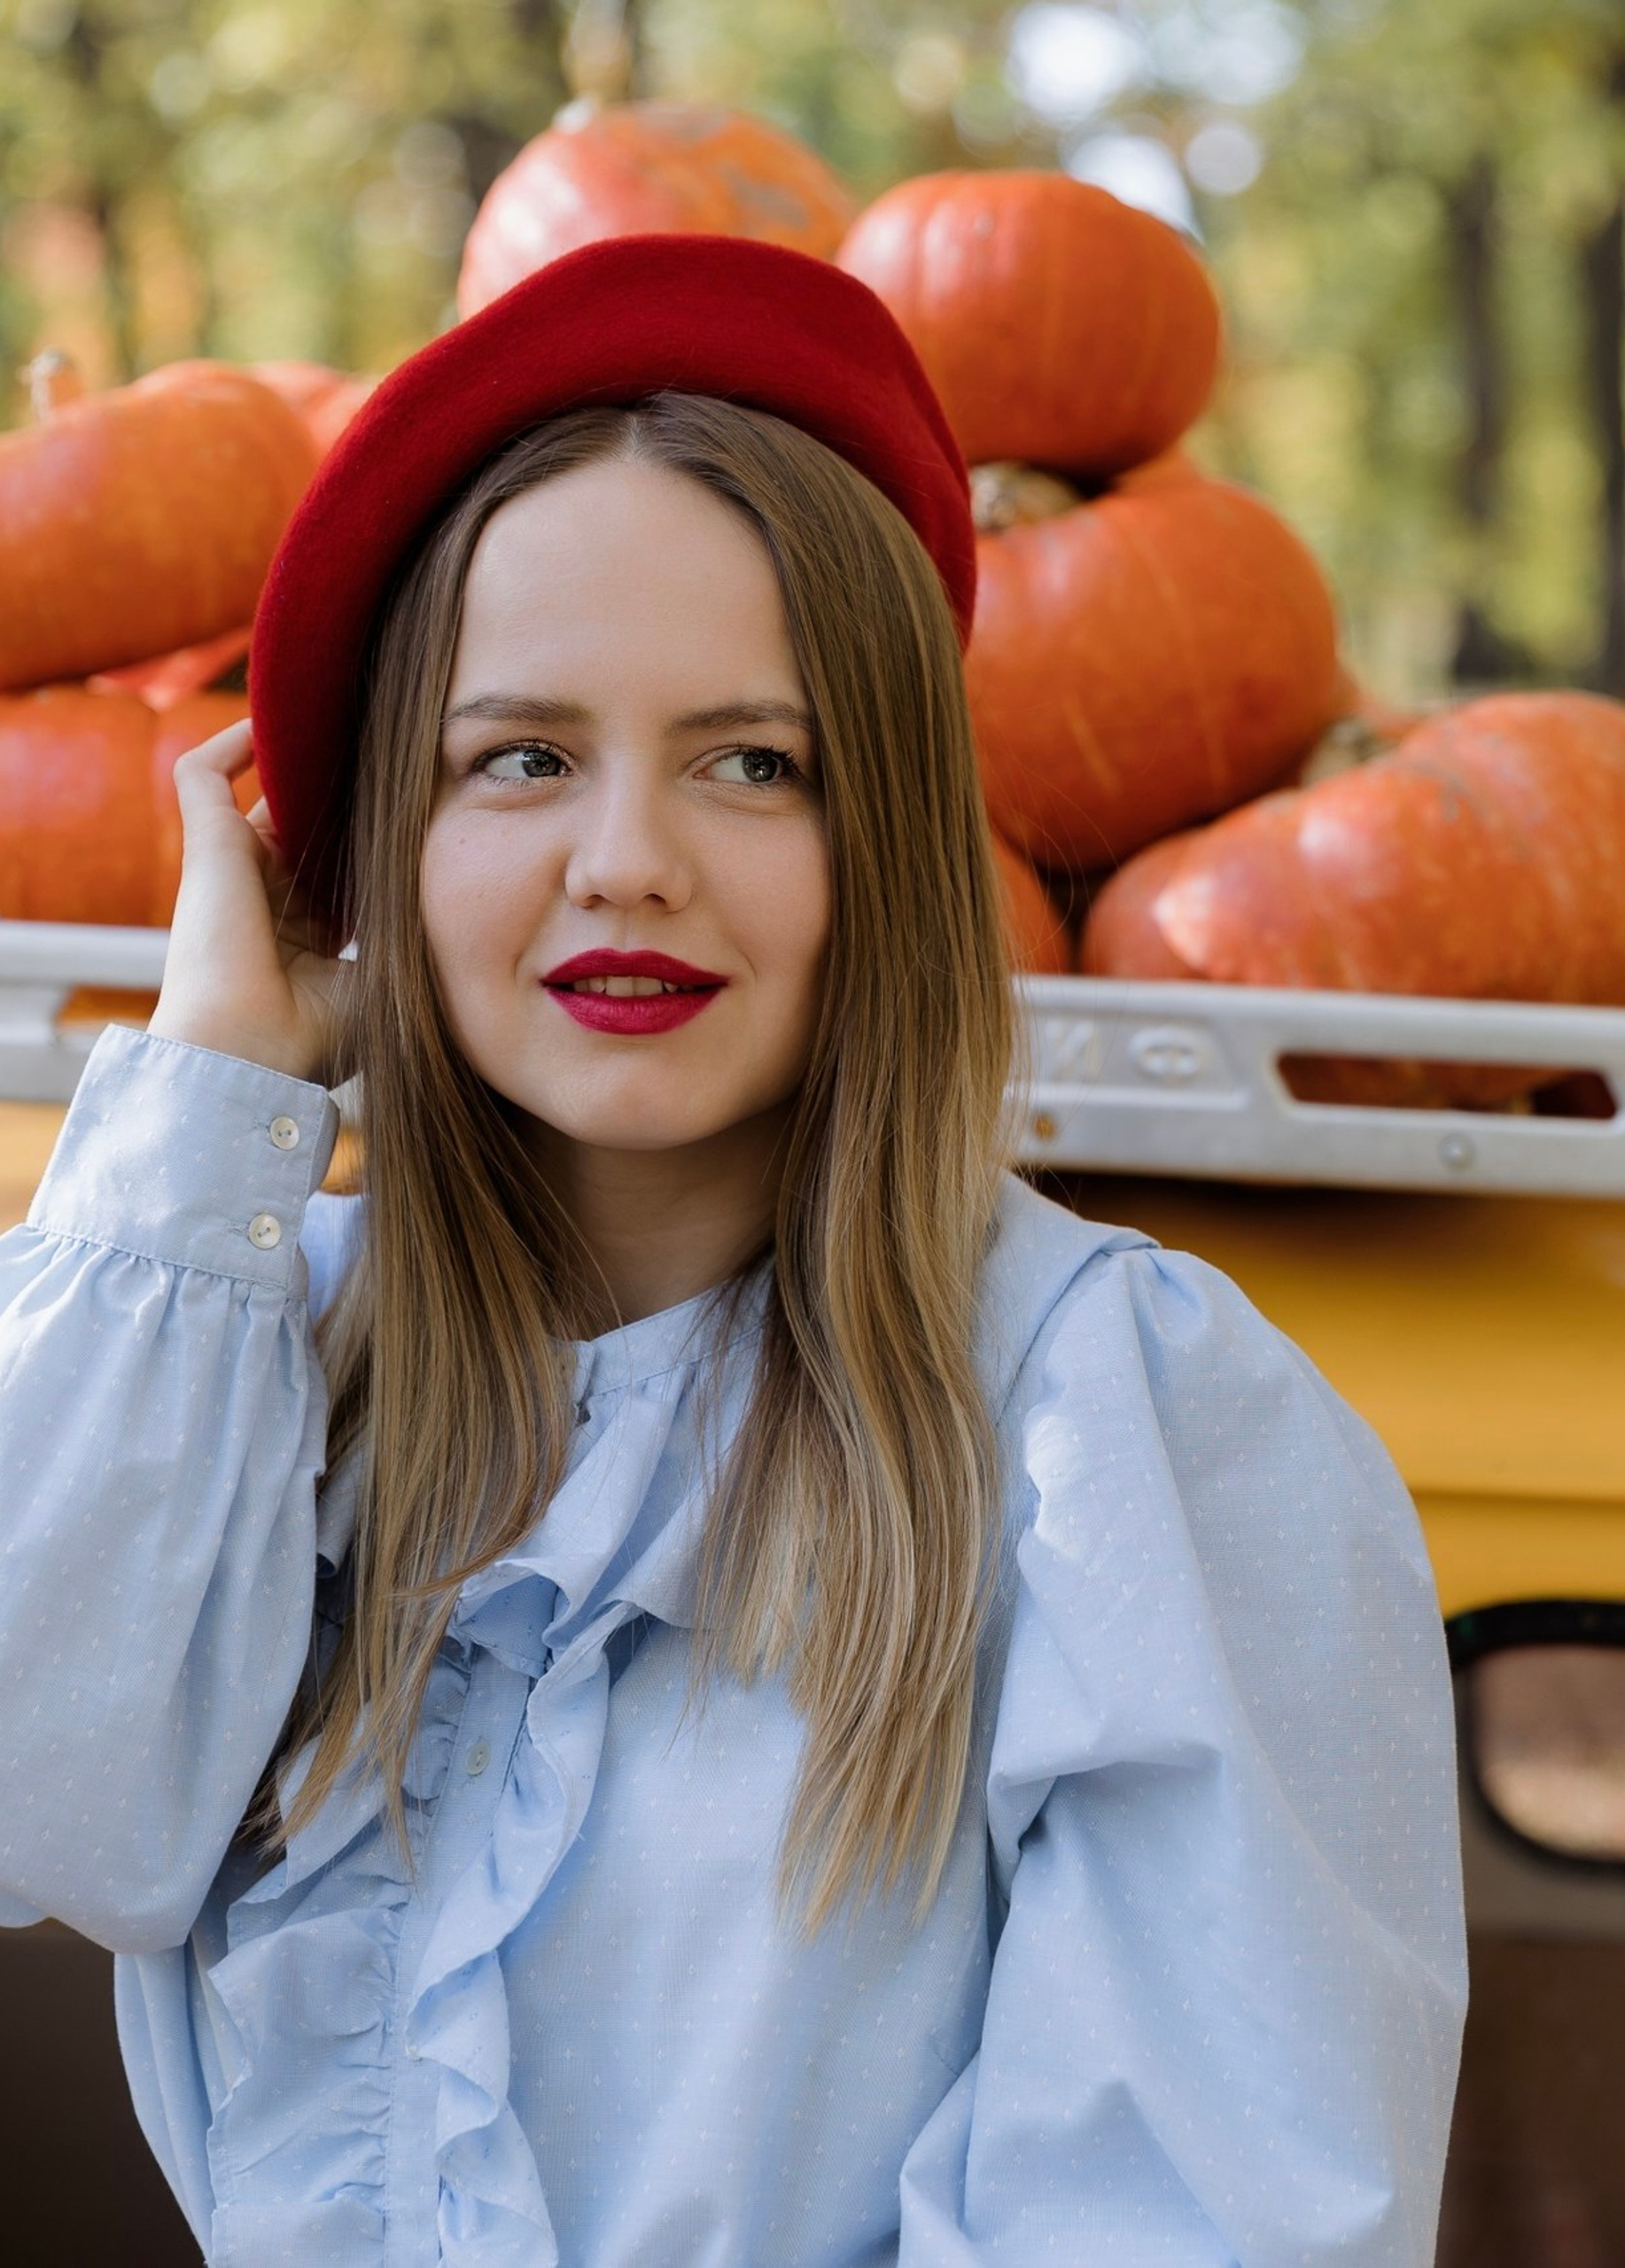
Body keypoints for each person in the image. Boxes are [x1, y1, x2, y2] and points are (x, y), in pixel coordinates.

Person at [0, 236, 1466, 2265]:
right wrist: (209, 1088)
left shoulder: (1122, 1431)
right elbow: (43, 1796)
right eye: (520, 757)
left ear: (891, 838)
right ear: (372, 844)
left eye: (751, 763)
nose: (628, 860)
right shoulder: (247, 1341)